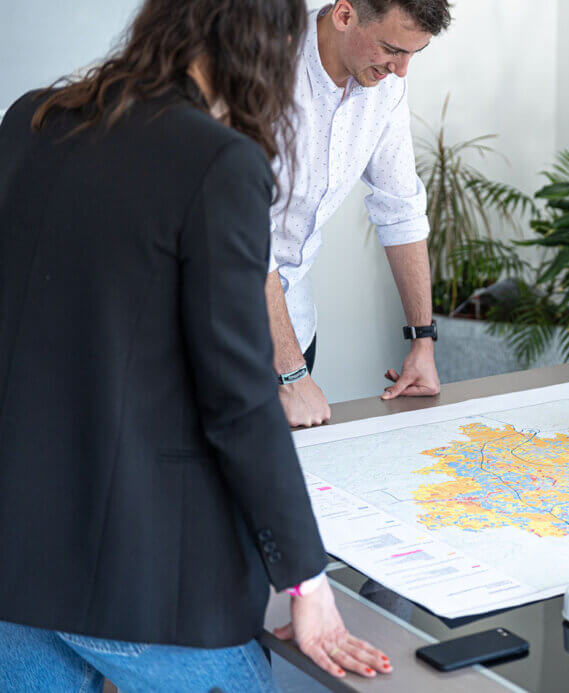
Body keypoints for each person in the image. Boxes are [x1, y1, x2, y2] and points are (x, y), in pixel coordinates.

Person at [0, 0, 390, 688]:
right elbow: (239, 400)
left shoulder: (33, 117)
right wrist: (307, 581)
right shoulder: (218, 163)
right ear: (263, 49)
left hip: (16, 562)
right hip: (145, 584)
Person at [268, 0, 451, 427]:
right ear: (345, 15)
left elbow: (400, 207)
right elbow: (242, 239)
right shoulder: (263, 68)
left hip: (293, 322)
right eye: (392, 49)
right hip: (212, 328)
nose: (401, 70)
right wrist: (292, 375)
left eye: (412, 54)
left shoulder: (385, 85)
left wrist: (422, 341)